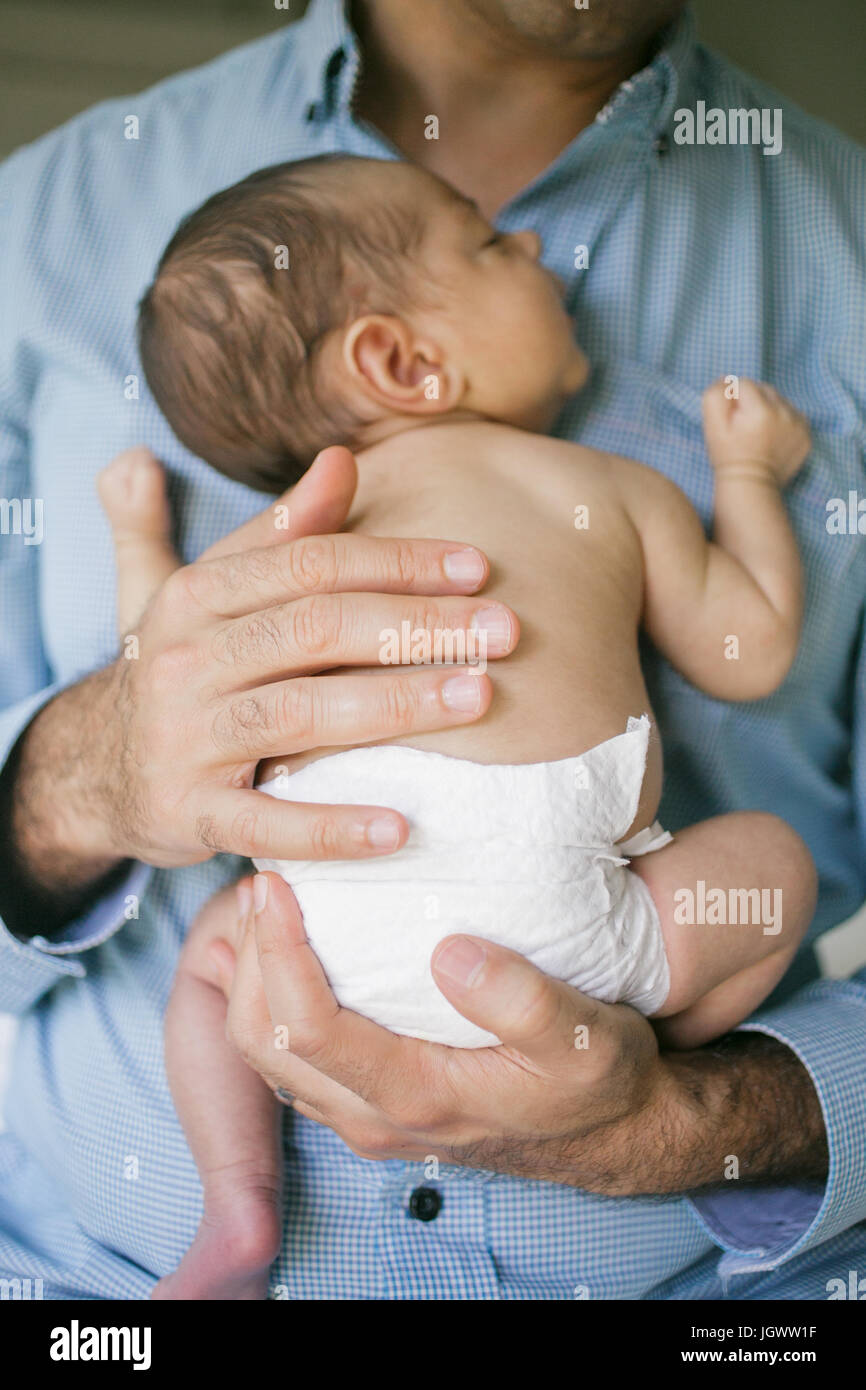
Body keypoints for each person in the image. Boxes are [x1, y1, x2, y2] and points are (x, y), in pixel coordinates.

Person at [0, 0, 863, 1301]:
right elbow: (743, 646)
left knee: (212, 959)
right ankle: (641, 1021)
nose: (526, 247)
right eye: (488, 247)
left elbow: (165, 634)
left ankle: (234, 1212)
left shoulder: (324, 514)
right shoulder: (601, 490)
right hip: (563, 917)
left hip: (314, 918)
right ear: (401, 358)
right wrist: (743, 473)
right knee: (764, 873)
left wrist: (701, 1122)